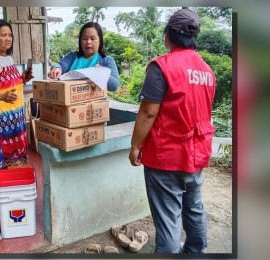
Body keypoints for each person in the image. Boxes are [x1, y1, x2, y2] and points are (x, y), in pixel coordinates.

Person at [128, 9, 216, 253]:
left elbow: (148, 113)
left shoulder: (162, 67)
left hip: (166, 157)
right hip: (196, 154)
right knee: (195, 209)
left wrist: (136, 146)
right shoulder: (207, 70)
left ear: (168, 35)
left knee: (168, 222)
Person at [0, 19, 33, 170]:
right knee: (5, 160)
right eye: (3, 35)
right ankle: (6, 190)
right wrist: (2, 97)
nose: (8, 39)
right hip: (2, 121)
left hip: (16, 118)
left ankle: (17, 189)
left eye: (10, 35)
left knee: (18, 160)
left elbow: (8, 84)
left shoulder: (8, 58)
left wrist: (23, 78)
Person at [47, 21, 120, 92]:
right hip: (71, 102)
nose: (88, 42)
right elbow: (60, 65)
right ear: (80, 41)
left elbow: (114, 86)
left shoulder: (107, 60)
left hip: (94, 104)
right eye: (84, 39)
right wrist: (57, 68)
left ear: (100, 40)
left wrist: (99, 73)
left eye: (93, 38)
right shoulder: (72, 56)